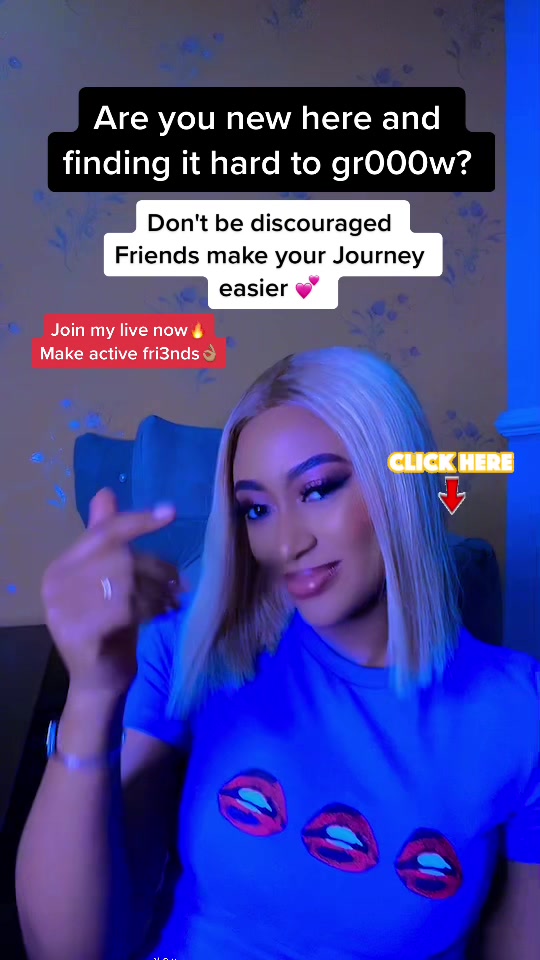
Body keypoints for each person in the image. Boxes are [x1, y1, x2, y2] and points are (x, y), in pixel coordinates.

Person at [16, 347, 540, 960]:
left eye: (317, 489)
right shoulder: (192, 649)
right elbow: (69, 950)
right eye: (256, 509)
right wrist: (93, 692)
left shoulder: (519, 712)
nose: (286, 542)